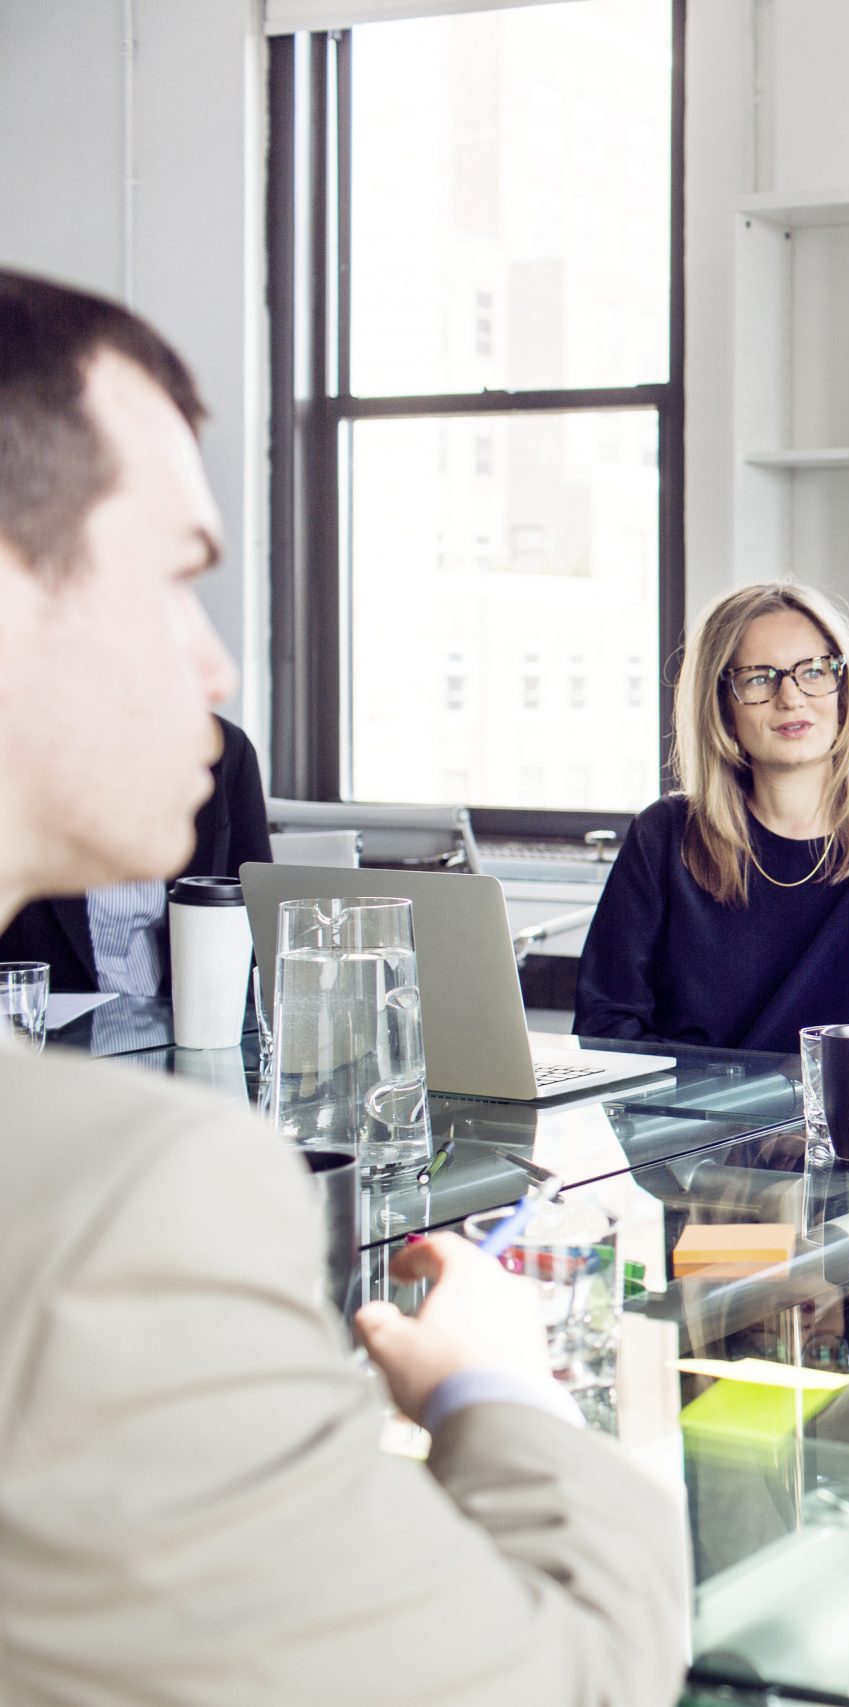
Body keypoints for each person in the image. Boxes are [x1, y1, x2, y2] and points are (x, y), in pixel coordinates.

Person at [0, 270, 686, 1700]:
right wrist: (494, 1384)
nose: (215, 659)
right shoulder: (120, 1202)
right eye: (175, 575)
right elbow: (571, 1679)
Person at [576, 580, 849, 1066]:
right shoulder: (664, 836)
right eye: (759, 678)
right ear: (721, 704)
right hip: (691, 1114)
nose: (791, 697)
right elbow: (606, 1028)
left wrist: (825, 1091)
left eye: (813, 671)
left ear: (843, 690)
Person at [0, 709, 270, 997]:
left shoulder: (224, 747)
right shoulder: (19, 747)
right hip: (41, 1015)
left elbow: (260, 924)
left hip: (184, 1012)